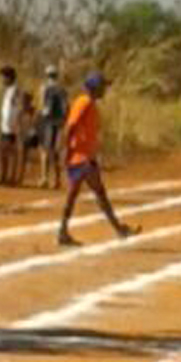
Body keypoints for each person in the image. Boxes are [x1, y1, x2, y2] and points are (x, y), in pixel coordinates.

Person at [56, 72, 138, 246]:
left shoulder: (89, 104)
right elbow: (70, 126)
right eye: (102, 87)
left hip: (84, 156)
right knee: (98, 194)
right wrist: (65, 150)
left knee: (79, 195)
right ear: (95, 87)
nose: (105, 90)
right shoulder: (84, 102)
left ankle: (63, 231)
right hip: (80, 157)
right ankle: (118, 229)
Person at [36, 65, 69, 189]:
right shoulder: (62, 89)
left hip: (47, 120)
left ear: (46, 75)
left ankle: (44, 178)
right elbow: (66, 107)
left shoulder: (44, 88)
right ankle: (57, 179)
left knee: (44, 150)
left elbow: (42, 105)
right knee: (55, 151)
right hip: (59, 122)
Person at [0, 65, 21, 185]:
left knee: (8, 152)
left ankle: (10, 177)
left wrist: (14, 125)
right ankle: (6, 176)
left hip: (10, 127)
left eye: (3, 77)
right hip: (5, 126)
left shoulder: (14, 90)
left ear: (9, 77)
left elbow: (16, 107)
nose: (2, 80)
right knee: (4, 152)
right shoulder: (7, 91)